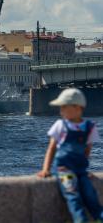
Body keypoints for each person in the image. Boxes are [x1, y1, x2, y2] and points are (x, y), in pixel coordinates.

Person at [37, 88, 103, 223]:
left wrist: (84, 167)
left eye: (63, 107)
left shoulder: (90, 127)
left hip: (80, 170)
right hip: (63, 169)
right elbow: (51, 148)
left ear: (78, 108)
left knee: (91, 195)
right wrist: (46, 169)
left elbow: (88, 149)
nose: (60, 111)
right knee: (73, 196)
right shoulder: (60, 125)